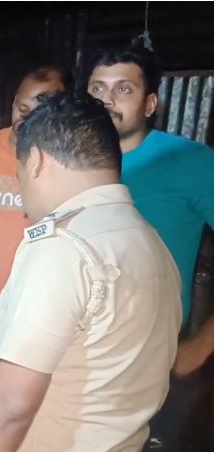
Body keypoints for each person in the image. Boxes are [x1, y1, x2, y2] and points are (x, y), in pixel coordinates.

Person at [0, 93, 181, 451]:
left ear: (37, 162)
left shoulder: (64, 246)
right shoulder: (151, 243)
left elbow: (9, 404)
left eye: (20, 173)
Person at [86, 44, 214, 451]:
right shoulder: (70, 162)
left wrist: (203, 344)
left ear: (150, 103)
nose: (107, 100)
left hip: (151, 359)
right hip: (75, 356)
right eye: (97, 89)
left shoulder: (189, 161)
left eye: (123, 89)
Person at [0, 65, 70, 335]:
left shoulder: (70, 160)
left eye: (37, 113)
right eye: (21, 108)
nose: (24, 120)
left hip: (36, 317)